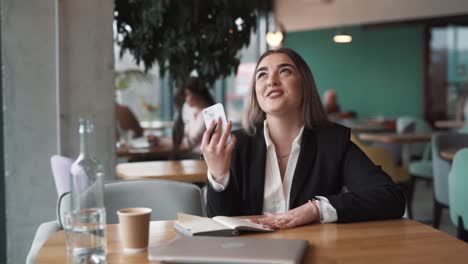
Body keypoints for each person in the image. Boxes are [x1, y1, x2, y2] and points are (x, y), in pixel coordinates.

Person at [202, 48, 405, 229]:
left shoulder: (333, 142)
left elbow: (391, 197)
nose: (271, 80)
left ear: (305, 84)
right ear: (256, 92)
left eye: (285, 71)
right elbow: (220, 223)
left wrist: (316, 209)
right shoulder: (236, 145)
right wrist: (218, 174)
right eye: (262, 75)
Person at [174, 77, 216, 154]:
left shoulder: (209, 114)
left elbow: (191, 141)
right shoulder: (189, 109)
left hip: (201, 156)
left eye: (188, 94)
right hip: (192, 154)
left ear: (197, 94)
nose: (186, 98)